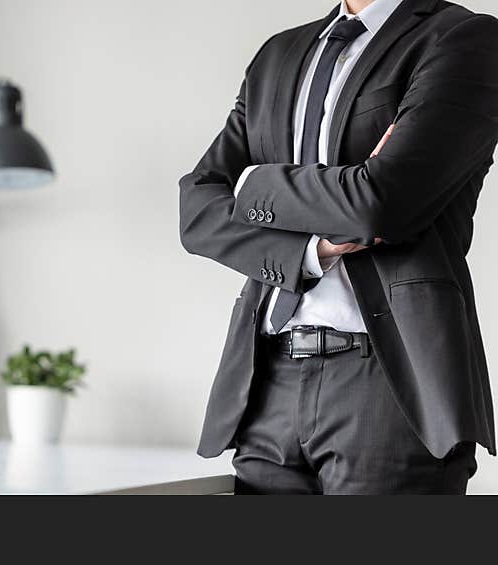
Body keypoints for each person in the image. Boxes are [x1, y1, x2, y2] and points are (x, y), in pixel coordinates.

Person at [179, 0, 498, 494]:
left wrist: (252, 183)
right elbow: (197, 210)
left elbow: (380, 203)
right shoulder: (278, 54)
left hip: (391, 387)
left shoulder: (462, 39)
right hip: (267, 381)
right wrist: (313, 248)